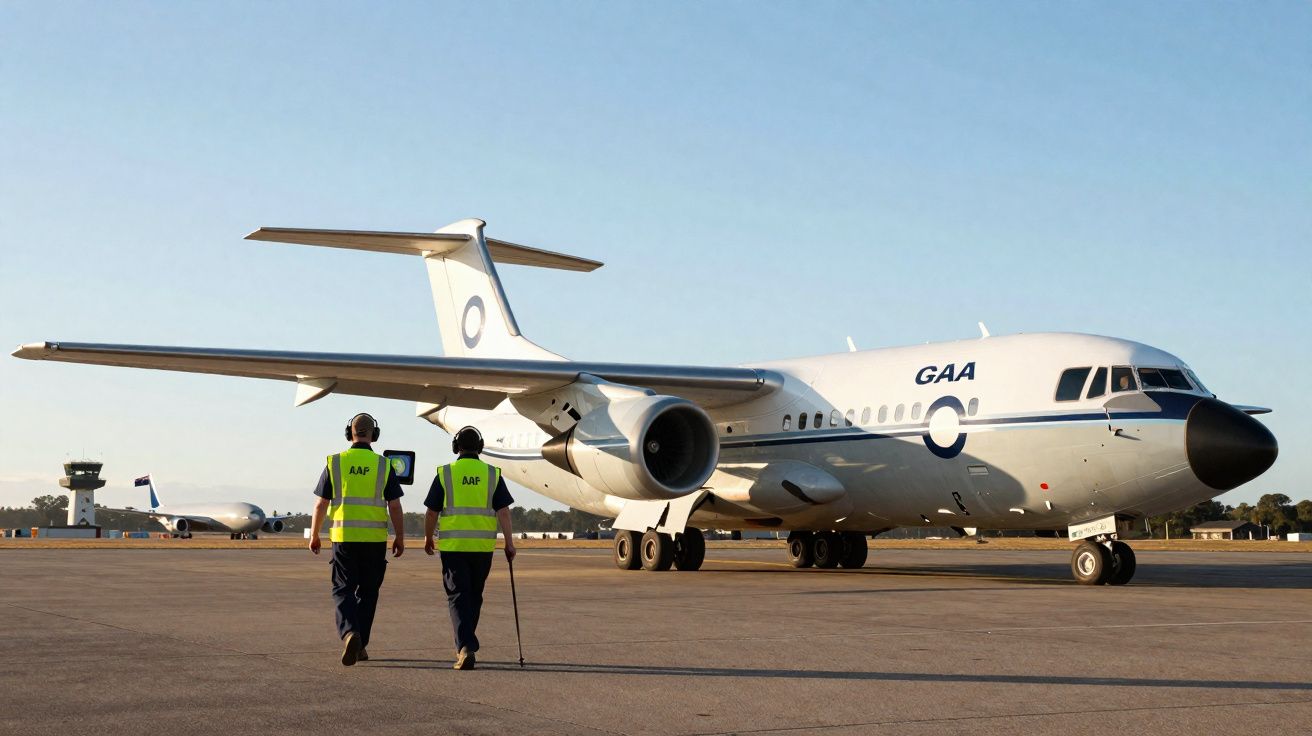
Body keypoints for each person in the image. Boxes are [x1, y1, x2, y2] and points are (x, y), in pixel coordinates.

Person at [308, 412, 405, 667]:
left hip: (344, 538)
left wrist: (315, 534)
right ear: (374, 435)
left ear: (349, 433)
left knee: (343, 589)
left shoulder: (335, 463)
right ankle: (360, 644)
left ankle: (350, 632)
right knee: (369, 592)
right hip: (374, 540)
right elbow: (395, 506)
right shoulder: (384, 465)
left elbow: (321, 504)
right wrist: (400, 538)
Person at [424, 426, 516, 670]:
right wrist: (509, 542)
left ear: (456, 447)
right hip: (482, 548)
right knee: (474, 596)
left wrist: (427, 537)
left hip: (454, 546)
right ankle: (468, 644)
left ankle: (464, 647)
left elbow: (432, 511)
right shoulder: (492, 474)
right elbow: (503, 511)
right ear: (480, 447)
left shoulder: (445, 474)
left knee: (457, 596)